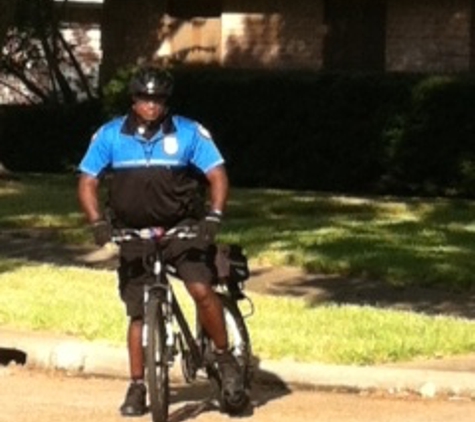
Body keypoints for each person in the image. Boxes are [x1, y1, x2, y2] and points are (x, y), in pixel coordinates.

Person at [77, 66, 245, 416]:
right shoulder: (109, 135)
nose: (150, 105)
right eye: (144, 98)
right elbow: (88, 180)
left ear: (166, 102)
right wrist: (97, 222)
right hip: (133, 234)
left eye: (157, 99)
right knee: (138, 312)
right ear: (133, 100)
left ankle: (224, 357)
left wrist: (213, 216)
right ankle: (138, 385)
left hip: (182, 230)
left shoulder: (188, 133)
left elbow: (216, 174)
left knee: (200, 289)